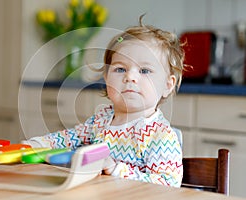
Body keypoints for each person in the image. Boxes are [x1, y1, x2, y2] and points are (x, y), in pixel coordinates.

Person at [22, 15, 185, 188]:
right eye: (120, 69)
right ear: (106, 78)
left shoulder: (161, 136)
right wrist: (39, 144)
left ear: (168, 85)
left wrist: (116, 169)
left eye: (145, 70)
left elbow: (168, 185)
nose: (130, 76)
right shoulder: (101, 120)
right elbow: (69, 138)